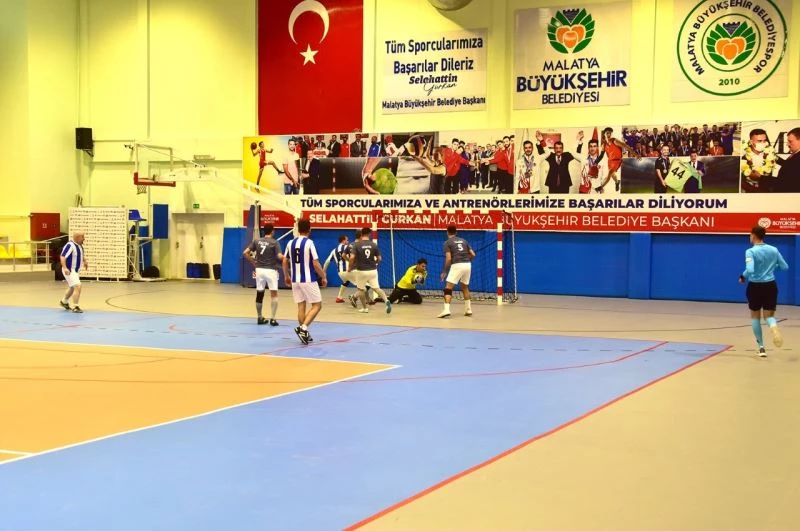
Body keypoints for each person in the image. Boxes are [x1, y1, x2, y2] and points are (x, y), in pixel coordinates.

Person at [738, 226, 789, 357]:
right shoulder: (774, 250)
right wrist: (771, 268)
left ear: (754, 236)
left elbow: (750, 270)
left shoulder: (750, 251)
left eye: (750, 235)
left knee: (755, 317)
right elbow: (784, 267)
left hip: (755, 287)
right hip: (770, 286)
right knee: (769, 317)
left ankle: (761, 348)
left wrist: (743, 276)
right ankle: (773, 327)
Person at [282, 219, 327, 345]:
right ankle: (303, 328)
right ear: (309, 229)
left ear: (297, 229)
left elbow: (284, 261)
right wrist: (323, 276)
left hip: (295, 280)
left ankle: (304, 333)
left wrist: (286, 276)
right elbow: (315, 263)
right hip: (308, 279)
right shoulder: (309, 243)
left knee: (301, 306)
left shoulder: (290, 242)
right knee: (317, 305)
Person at [243, 223, 283, 325]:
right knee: (274, 293)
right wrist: (286, 259)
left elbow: (245, 253)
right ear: (272, 231)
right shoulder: (274, 242)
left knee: (260, 293)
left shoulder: (257, 241)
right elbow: (279, 256)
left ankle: (259, 317)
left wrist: (253, 262)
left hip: (259, 270)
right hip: (271, 270)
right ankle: (273, 319)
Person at [349, 227, 391, 314]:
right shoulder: (373, 244)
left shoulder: (356, 245)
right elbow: (380, 259)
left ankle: (365, 308)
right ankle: (386, 301)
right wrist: (375, 263)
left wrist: (350, 267)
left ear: (361, 234)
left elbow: (352, 258)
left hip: (361, 271)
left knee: (361, 290)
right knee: (376, 288)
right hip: (373, 270)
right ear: (369, 234)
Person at [438, 225, 475, 318]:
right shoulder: (464, 240)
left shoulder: (447, 242)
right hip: (467, 264)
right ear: (456, 232)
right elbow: (473, 254)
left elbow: (448, 259)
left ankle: (446, 310)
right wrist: (467, 261)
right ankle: (468, 309)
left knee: (448, 287)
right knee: (465, 287)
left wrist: (444, 271)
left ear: (447, 232)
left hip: (457, 265)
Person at [59, 231, 88, 313]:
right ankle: (76, 306)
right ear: (78, 237)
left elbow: (80, 255)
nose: (84, 239)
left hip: (75, 271)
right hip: (69, 270)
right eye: (83, 237)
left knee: (72, 287)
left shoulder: (80, 246)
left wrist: (85, 261)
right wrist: (65, 268)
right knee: (78, 286)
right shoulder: (70, 245)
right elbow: (62, 257)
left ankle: (64, 302)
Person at [322, 234, 351, 303]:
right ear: (343, 241)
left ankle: (339, 297)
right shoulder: (348, 247)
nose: (348, 241)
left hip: (340, 272)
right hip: (350, 270)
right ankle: (356, 297)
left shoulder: (334, 250)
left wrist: (323, 273)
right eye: (347, 240)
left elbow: (327, 262)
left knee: (346, 281)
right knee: (364, 282)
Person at [774, 127, 800, 193]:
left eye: (790, 141)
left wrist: (760, 177)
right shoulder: (796, 155)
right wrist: (776, 158)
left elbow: (784, 182)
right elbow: (791, 166)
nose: (787, 144)